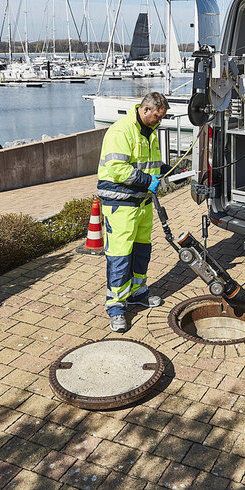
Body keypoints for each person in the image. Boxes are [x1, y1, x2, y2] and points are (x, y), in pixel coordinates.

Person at [96, 92, 169, 332]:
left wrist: (167, 170)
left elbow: (150, 163)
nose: (159, 121)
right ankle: (116, 307)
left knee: (141, 251)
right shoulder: (121, 131)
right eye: (157, 116)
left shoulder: (149, 132)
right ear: (146, 110)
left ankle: (137, 292)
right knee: (119, 256)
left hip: (142, 204)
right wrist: (147, 180)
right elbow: (116, 168)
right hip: (121, 205)